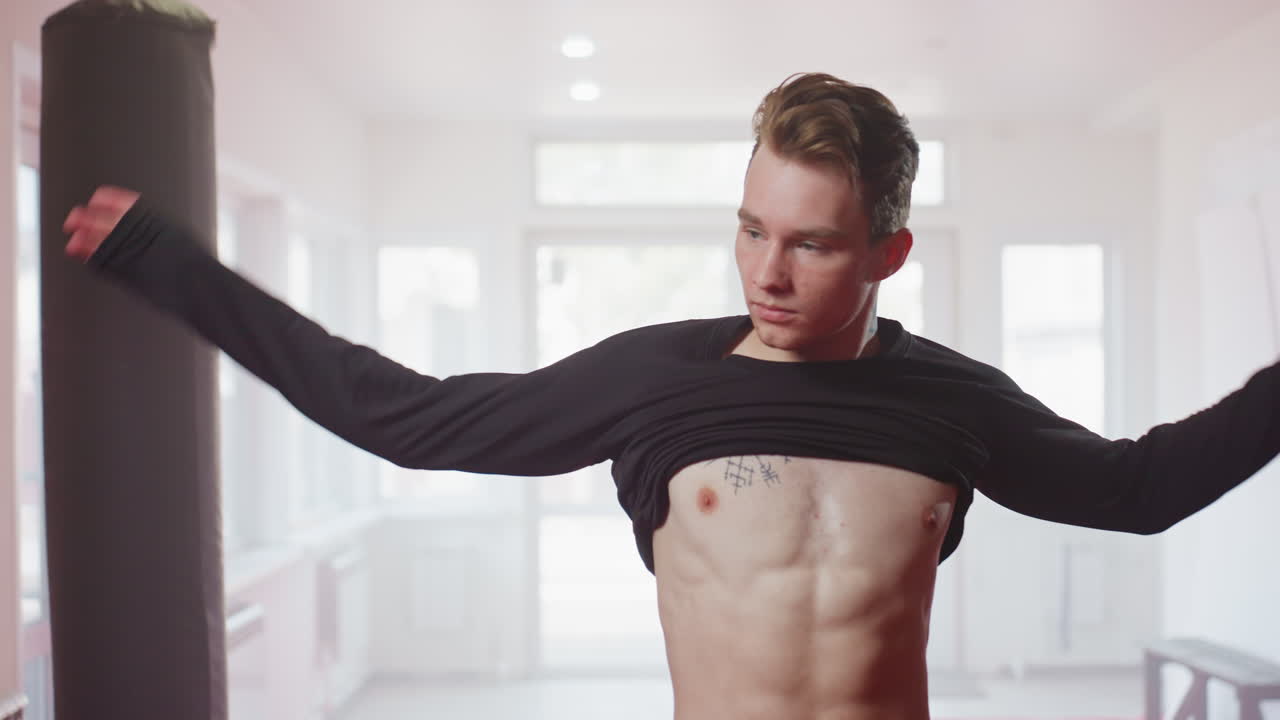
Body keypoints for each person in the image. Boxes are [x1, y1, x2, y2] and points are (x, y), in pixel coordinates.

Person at [62, 73, 1280, 720]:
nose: (766, 270)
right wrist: (175, 267)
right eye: (750, 229)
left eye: (809, 242)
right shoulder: (656, 382)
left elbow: (1141, 488)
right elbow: (403, 414)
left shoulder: (950, 403)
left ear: (887, 255)